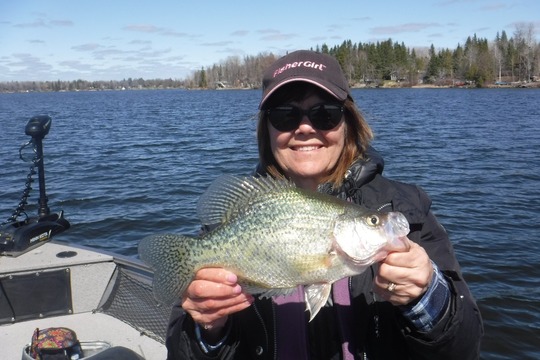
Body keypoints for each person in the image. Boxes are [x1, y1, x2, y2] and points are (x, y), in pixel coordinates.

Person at [166, 50, 483, 359]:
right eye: (285, 115)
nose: (305, 128)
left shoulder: (408, 207)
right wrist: (207, 328)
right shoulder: (237, 215)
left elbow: (465, 349)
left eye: (325, 114)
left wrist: (426, 297)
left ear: (349, 123)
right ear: (267, 129)